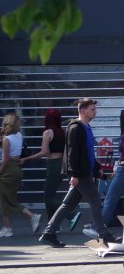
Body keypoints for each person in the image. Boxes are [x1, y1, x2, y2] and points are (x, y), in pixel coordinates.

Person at [39, 98, 116, 248]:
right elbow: (72, 153)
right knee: (95, 201)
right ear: (82, 110)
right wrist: (74, 174)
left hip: (84, 172)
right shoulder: (75, 128)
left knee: (68, 205)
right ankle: (104, 235)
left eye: (95, 109)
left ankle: (49, 233)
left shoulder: (86, 128)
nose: (95, 112)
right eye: (92, 109)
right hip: (80, 175)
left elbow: (88, 153)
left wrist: (97, 168)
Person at [19, 108, 66, 229]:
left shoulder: (47, 132)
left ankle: (71, 214)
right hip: (62, 163)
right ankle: (53, 225)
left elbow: (44, 152)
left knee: (48, 197)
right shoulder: (62, 131)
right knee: (51, 195)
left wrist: (27, 158)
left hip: (53, 164)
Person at [0, 113, 41, 237]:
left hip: (8, 170)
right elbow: (15, 155)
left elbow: (6, 159)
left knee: (8, 199)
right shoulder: (19, 135)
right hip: (16, 168)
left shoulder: (6, 140)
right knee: (4, 199)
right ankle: (7, 228)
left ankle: (32, 216)